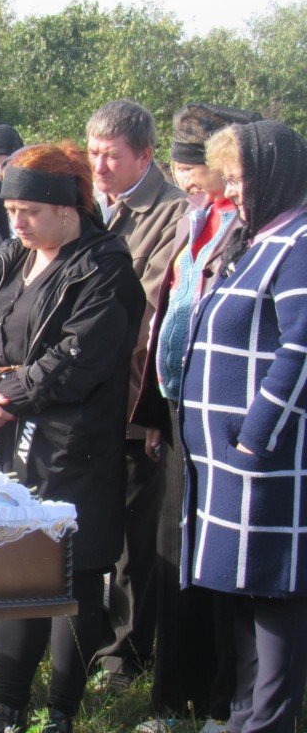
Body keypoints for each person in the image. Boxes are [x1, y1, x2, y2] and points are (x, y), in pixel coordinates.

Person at [0, 142, 145, 733]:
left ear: (67, 207)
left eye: (29, 211)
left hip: (72, 443)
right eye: (11, 210)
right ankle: (8, 705)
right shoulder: (9, 257)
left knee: (71, 572)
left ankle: (60, 712)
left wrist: (1, 399)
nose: (17, 222)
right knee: (15, 565)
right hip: (1, 431)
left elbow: (77, 358)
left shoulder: (106, 267)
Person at [131, 103, 260, 733]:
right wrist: (157, 410)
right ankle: (172, 699)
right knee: (174, 553)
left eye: (198, 168)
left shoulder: (254, 227)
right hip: (182, 411)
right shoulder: (198, 218)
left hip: (230, 417)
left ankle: (220, 701)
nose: (187, 180)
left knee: (219, 563)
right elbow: (172, 316)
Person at [179, 120, 307, 733]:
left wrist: (257, 435)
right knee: (242, 589)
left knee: (275, 596)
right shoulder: (261, 237)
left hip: (269, 463)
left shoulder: (300, 242)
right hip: (230, 464)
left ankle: (267, 723)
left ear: (274, 176)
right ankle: (242, 718)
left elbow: (301, 349)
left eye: (238, 179)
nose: (228, 191)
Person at [86, 99, 188, 689]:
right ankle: (92, 638)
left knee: (135, 537)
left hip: (133, 396)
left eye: (112, 156)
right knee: (94, 525)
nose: (98, 166)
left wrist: (146, 407)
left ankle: (125, 656)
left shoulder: (172, 213)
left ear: (145, 156)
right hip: (91, 398)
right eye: (93, 153)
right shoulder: (97, 206)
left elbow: (150, 314)